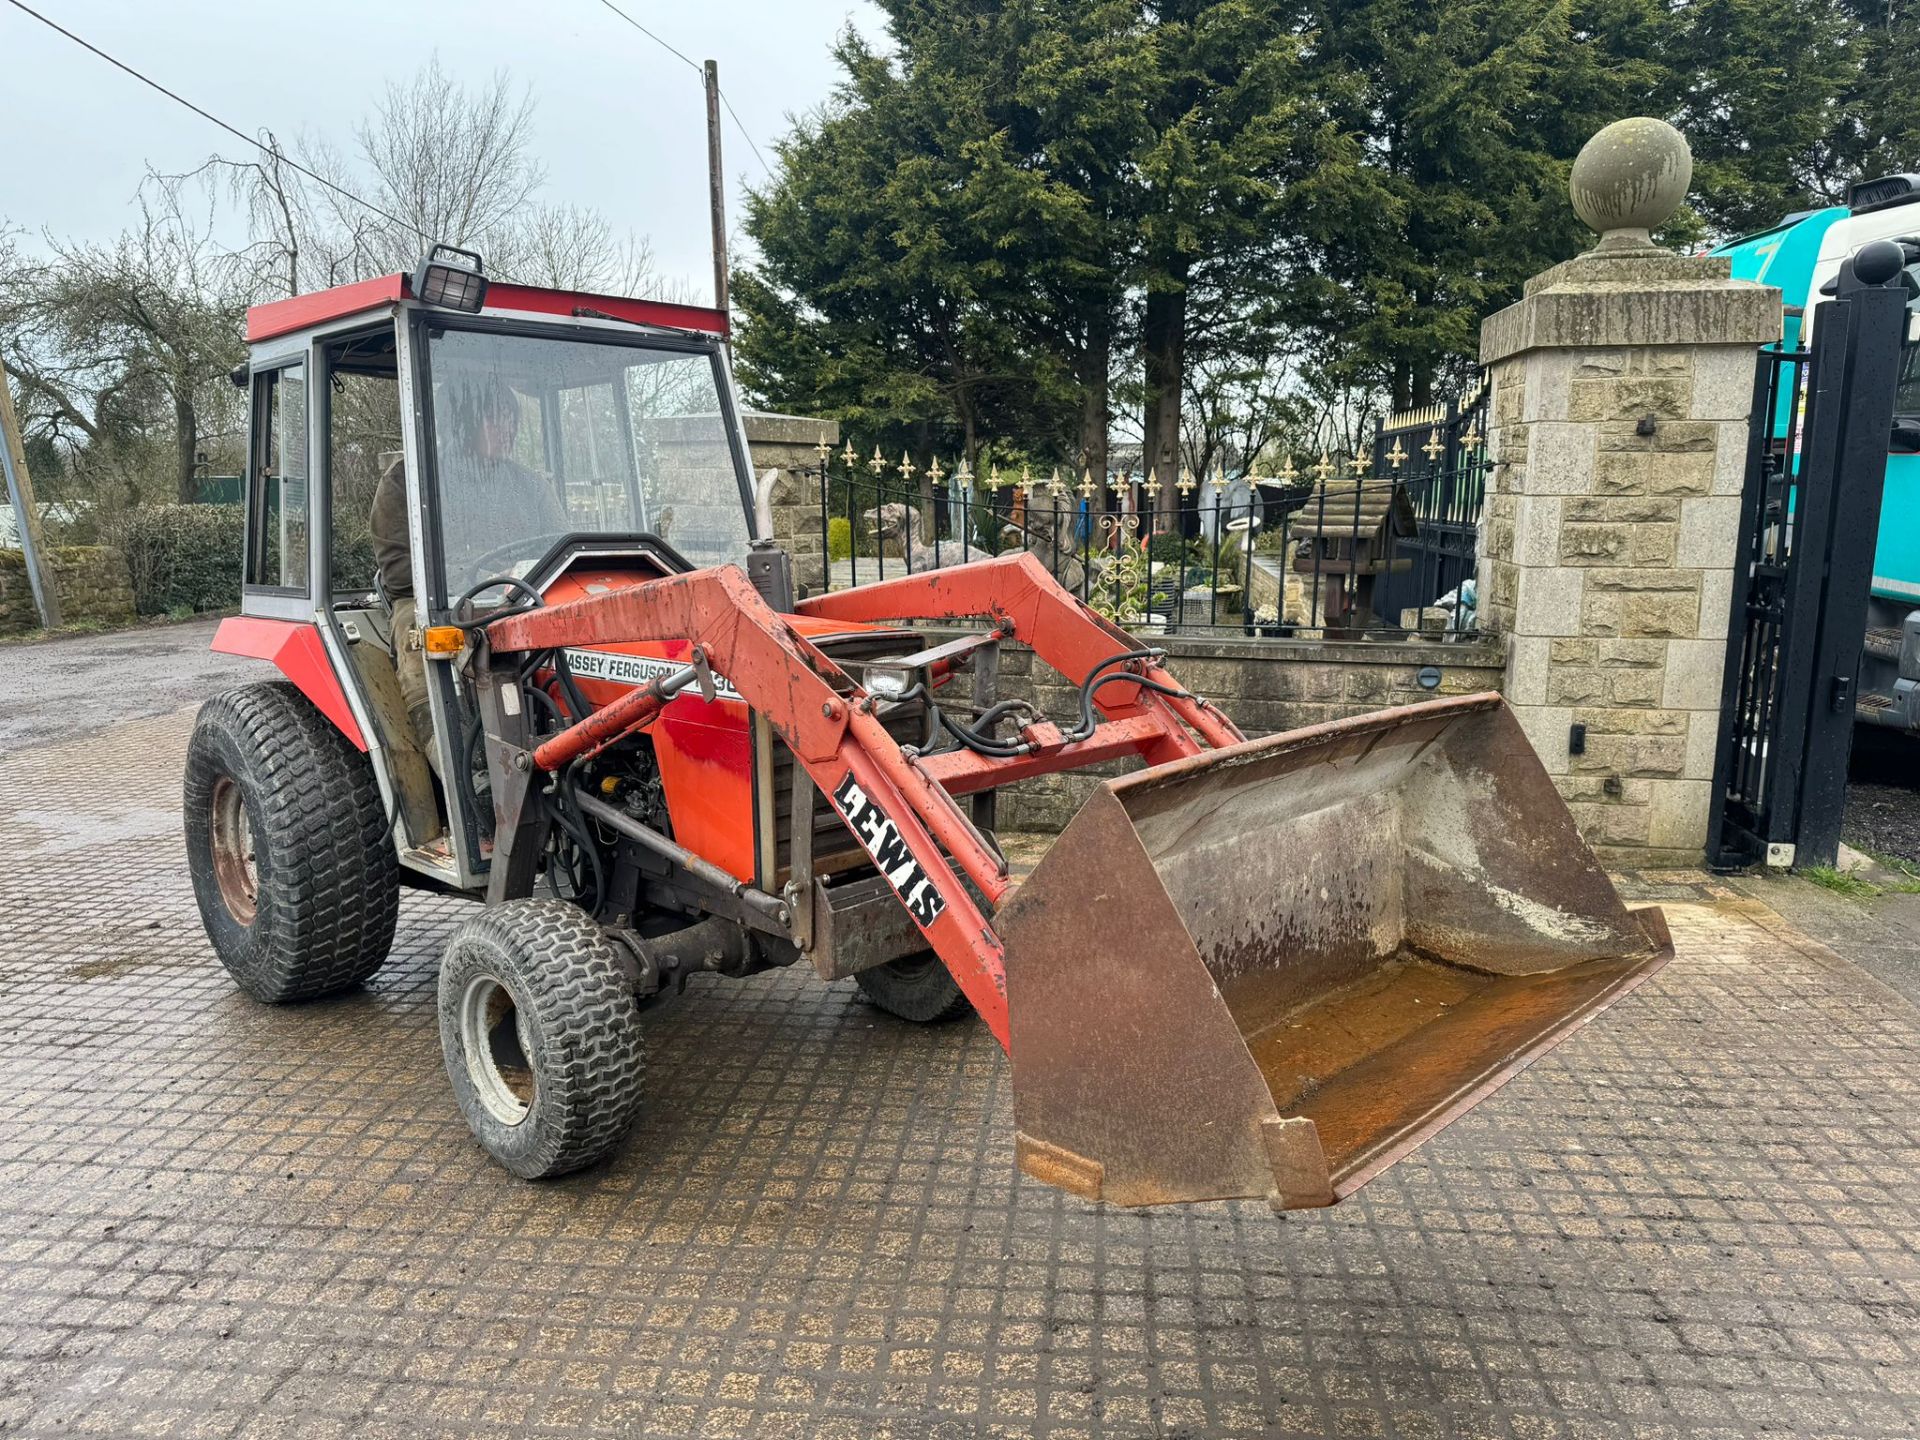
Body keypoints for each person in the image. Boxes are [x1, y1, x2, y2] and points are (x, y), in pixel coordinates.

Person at [369, 374, 568, 770]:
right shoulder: (405, 484)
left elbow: (560, 545)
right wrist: (475, 571)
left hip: (518, 598)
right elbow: (398, 572)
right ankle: (463, 769)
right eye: (494, 418)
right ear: (460, 422)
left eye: (510, 418)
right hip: (437, 602)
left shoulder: (529, 486)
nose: (507, 428)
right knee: (418, 643)